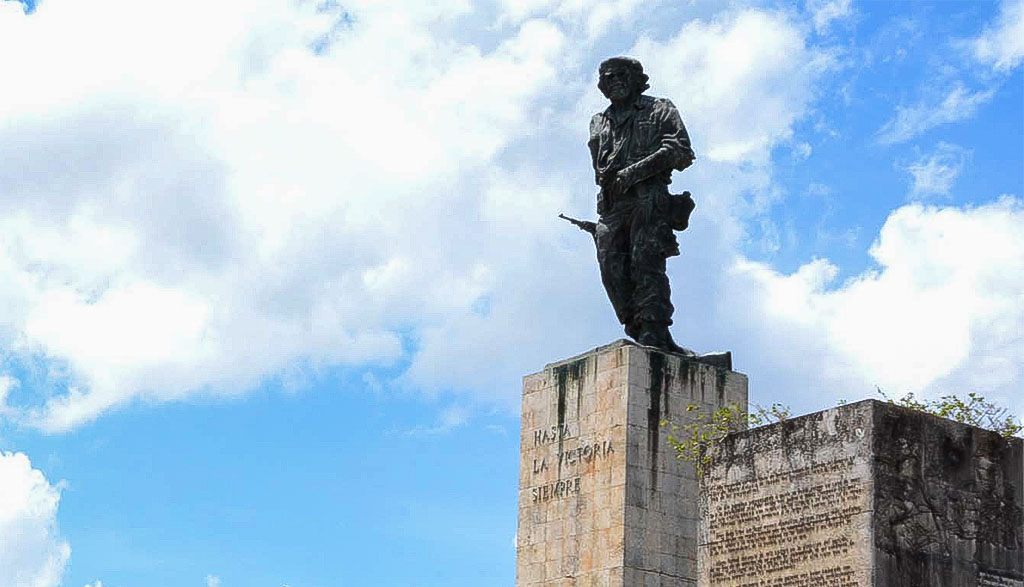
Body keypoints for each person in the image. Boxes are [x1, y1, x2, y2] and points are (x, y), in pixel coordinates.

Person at [588, 56, 695, 353]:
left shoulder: (659, 108)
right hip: (612, 206)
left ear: (637, 79)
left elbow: (680, 150)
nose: (615, 81)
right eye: (608, 77)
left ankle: (654, 331)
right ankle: (637, 327)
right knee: (611, 268)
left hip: (649, 197)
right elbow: (598, 167)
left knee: (645, 263)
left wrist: (634, 172)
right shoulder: (599, 122)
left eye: (622, 75)